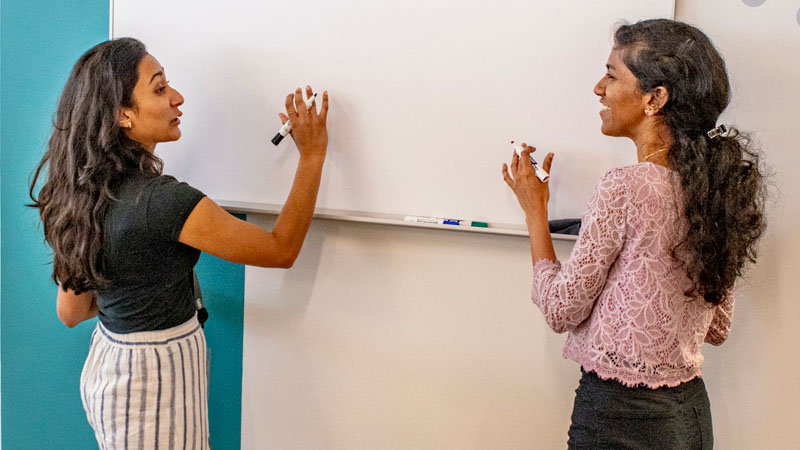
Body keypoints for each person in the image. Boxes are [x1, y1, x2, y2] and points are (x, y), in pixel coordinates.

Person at [29, 37, 329, 448]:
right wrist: (312, 156)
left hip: (110, 378)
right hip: (155, 390)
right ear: (123, 116)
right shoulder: (164, 202)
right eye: (159, 88)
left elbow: (71, 311)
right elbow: (281, 249)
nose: (177, 98)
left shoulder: (82, 195)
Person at [501, 19, 766, 449]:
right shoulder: (720, 192)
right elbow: (717, 328)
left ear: (654, 98)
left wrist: (535, 210)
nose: (598, 88)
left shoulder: (625, 186)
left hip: (621, 419)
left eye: (611, 74)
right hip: (691, 418)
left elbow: (560, 311)